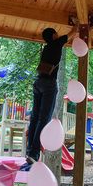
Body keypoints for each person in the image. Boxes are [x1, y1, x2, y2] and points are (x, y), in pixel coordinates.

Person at [21, 23, 78, 169]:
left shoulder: (46, 47)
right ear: (53, 35)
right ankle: (34, 153)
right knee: (43, 118)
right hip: (48, 85)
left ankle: (30, 151)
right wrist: (76, 24)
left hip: (38, 82)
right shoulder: (56, 43)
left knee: (35, 117)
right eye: (56, 33)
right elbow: (73, 32)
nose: (58, 35)